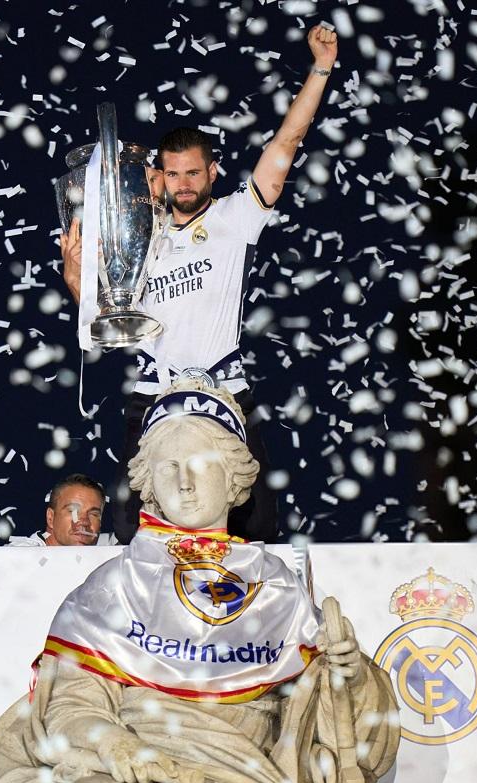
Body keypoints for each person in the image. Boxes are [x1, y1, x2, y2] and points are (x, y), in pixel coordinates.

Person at [0, 377, 400, 783]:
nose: (184, 483)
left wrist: (351, 676)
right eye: (168, 467)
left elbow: (335, 719)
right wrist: (113, 743)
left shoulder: (274, 582)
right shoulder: (115, 583)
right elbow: (71, 705)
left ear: (233, 478)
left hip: (246, 772)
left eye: (201, 464)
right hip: (134, 762)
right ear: (149, 482)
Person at [60, 25, 340, 544]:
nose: (183, 184)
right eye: (173, 174)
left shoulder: (237, 217)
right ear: (157, 177)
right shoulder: (138, 235)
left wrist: (321, 68)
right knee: (131, 530)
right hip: (153, 391)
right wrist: (77, 281)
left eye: (193, 173)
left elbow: (287, 141)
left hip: (223, 386)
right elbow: (110, 326)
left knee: (256, 526)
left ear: (213, 171)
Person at [7, 473, 117, 547]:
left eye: (93, 514)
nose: (84, 522)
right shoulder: (18, 558)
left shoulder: (111, 551)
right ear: (50, 517)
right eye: (73, 511)